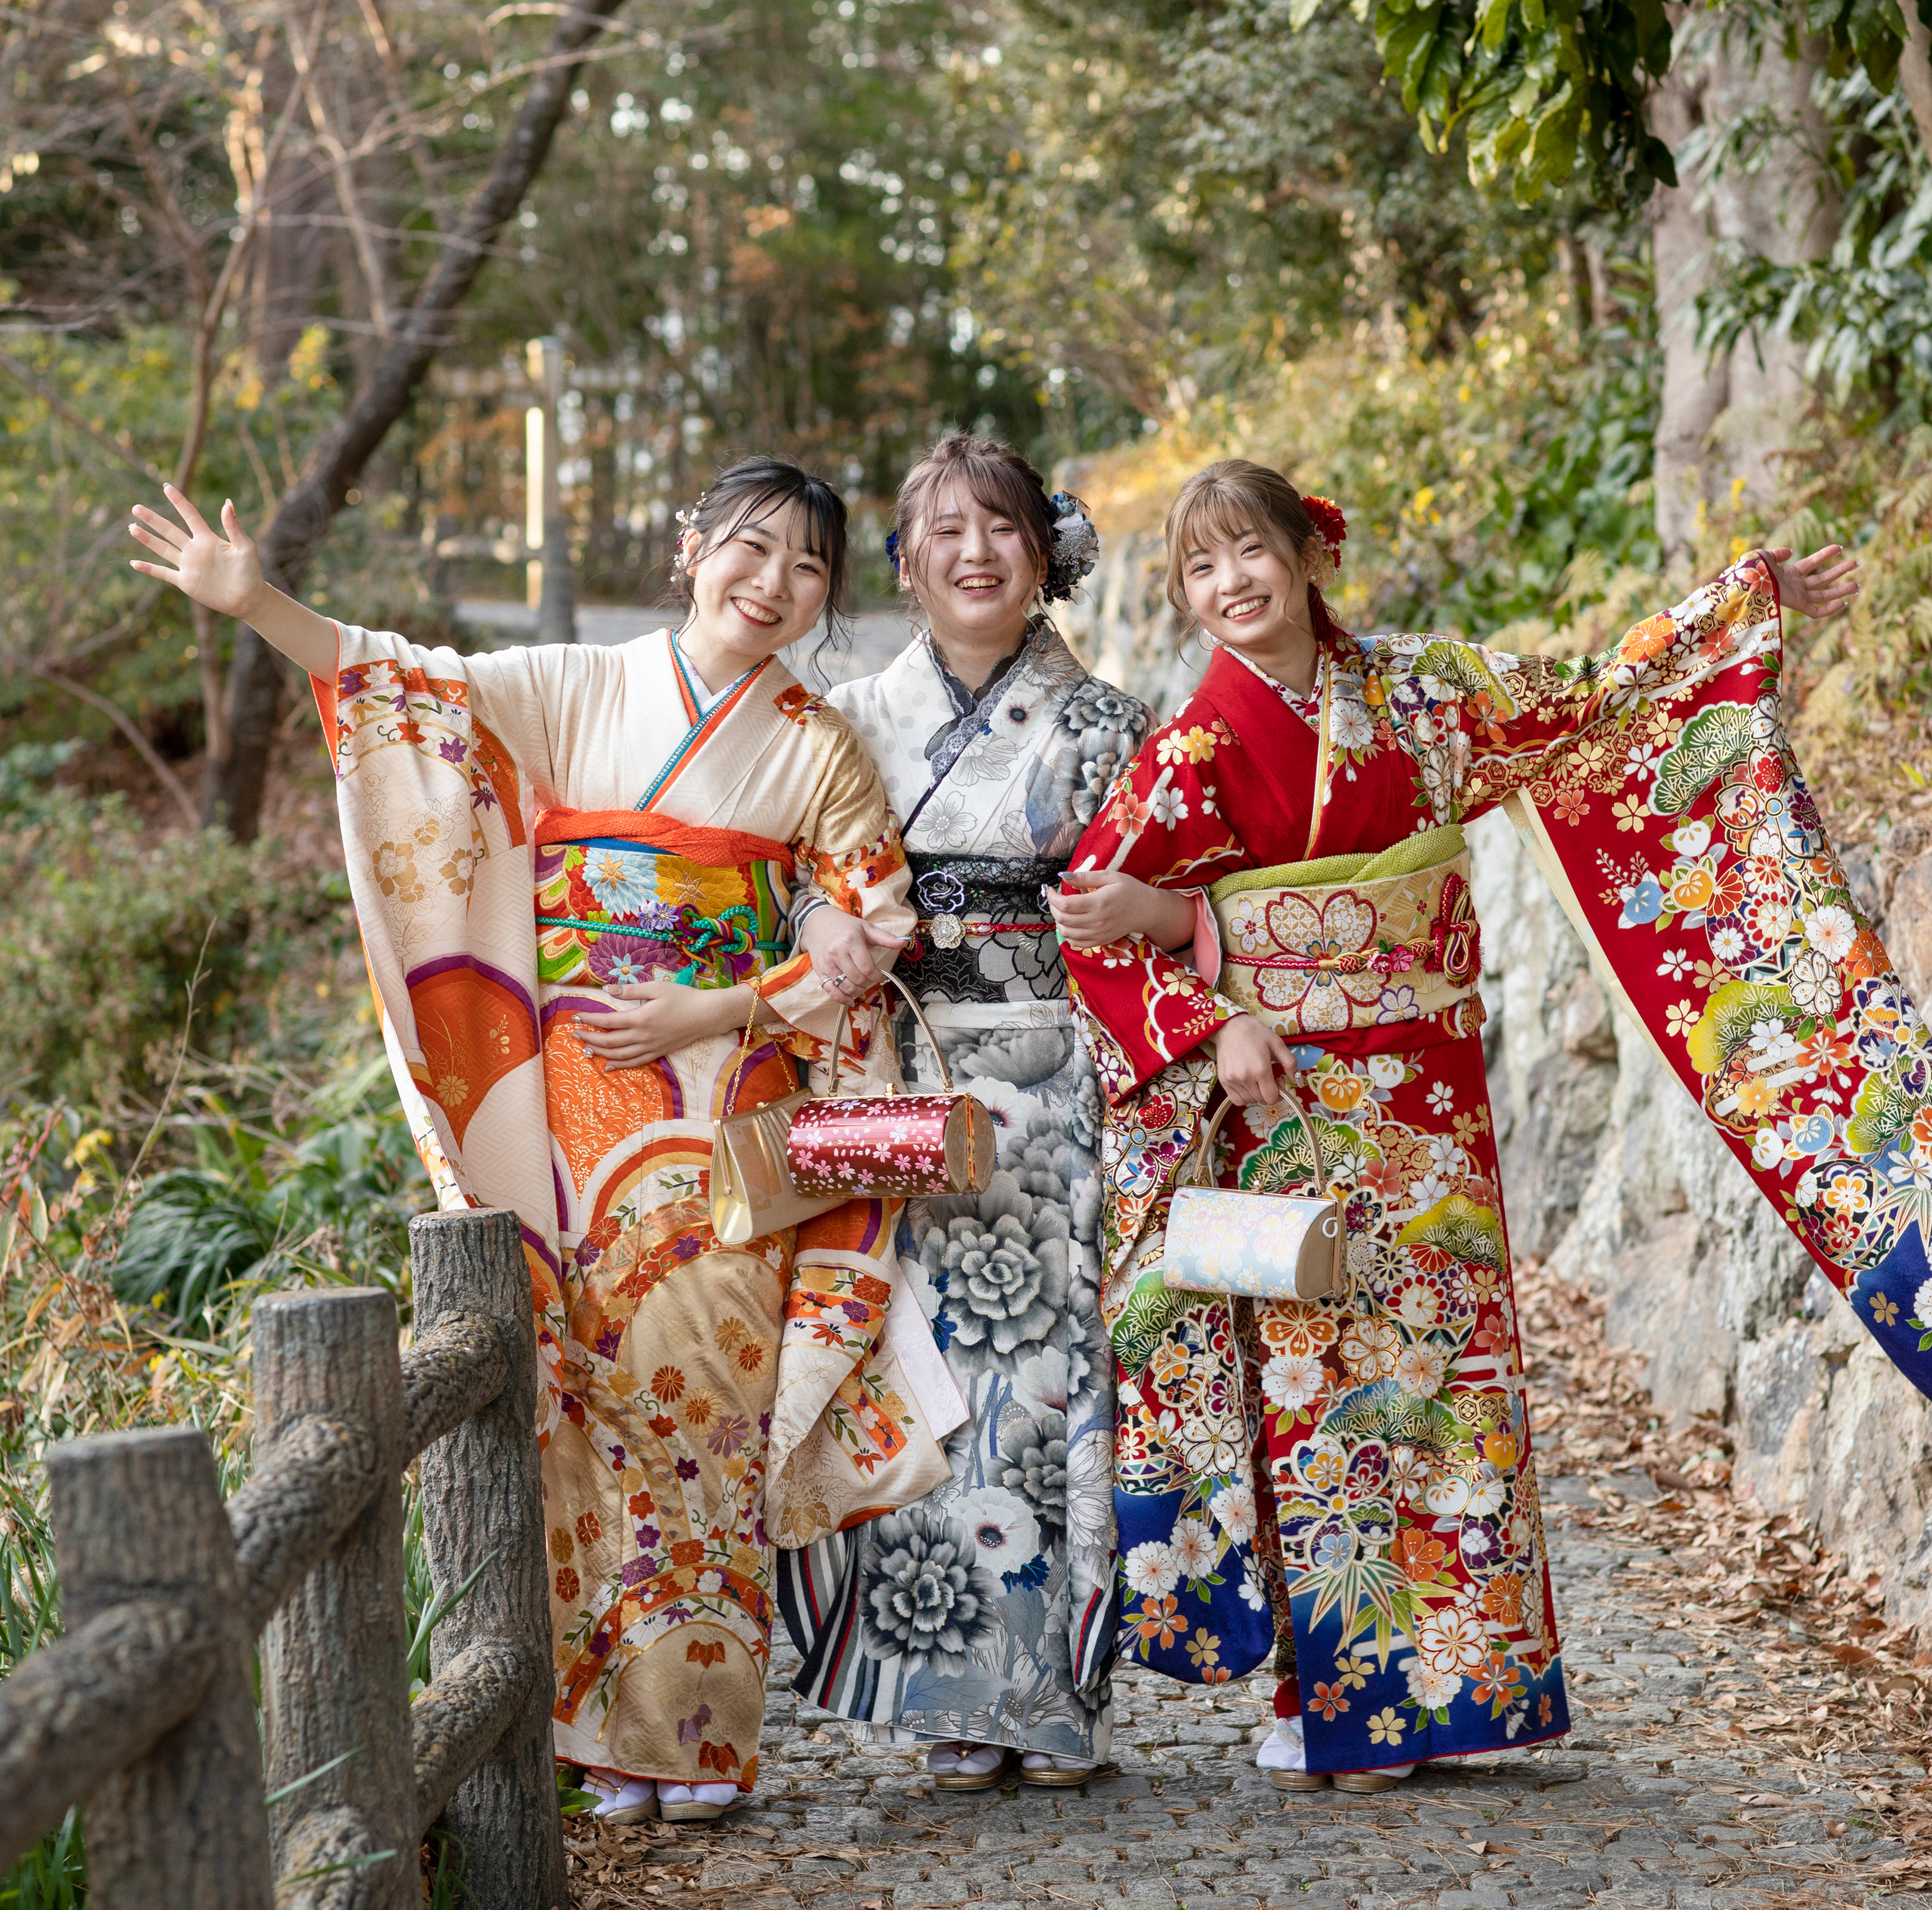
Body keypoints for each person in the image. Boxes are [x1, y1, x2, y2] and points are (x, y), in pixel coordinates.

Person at [127, 459, 964, 1823]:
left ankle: (693, 1737)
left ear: (825, 597)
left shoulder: (816, 743)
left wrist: (734, 995)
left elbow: (873, 923)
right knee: (571, 1405)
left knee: (705, 1408)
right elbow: (401, 687)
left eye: (807, 569)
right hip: (568, 1101)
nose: (773, 586)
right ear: (691, 549)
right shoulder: (581, 684)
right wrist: (257, 601)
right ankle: (591, 1735)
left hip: (726, 1105)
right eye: (749, 551)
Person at [1056, 458, 1894, 1794]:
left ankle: (1466, 1687)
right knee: (1320, 1386)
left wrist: (1734, 613)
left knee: (1451, 1378)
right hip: (1297, 1100)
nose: (1231, 586)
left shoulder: (1424, 691)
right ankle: (1336, 1694)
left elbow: (1593, 708)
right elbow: (1097, 919)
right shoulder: (1194, 748)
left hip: (1432, 1094)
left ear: (1311, 553)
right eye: (1199, 570)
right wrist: (1216, 1021)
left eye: (1250, 553)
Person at [772, 432, 1152, 1789]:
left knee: (1043, 1394)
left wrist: (1133, 916)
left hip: (1054, 1081)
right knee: (919, 1381)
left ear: (1043, 556)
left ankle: (1051, 1697)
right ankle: (943, 1695)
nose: (975, 554)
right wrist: (832, 924)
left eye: (1001, 530)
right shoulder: (848, 718)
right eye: (946, 532)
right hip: (899, 1081)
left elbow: (1169, 901)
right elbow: (793, 879)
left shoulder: (1108, 724)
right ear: (905, 563)